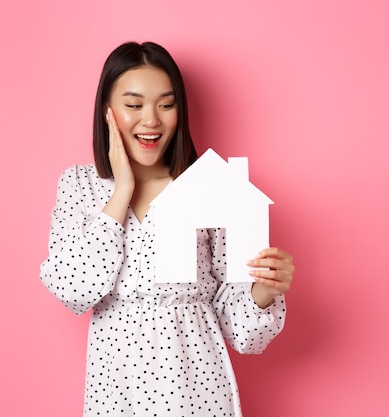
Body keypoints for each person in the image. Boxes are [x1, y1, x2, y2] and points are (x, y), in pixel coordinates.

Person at [40, 41, 295, 416]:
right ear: (107, 112)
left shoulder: (211, 184)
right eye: (134, 105)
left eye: (166, 104)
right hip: (117, 388)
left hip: (197, 387)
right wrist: (122, 191)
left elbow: (241, 330)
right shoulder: (79, 186)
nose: (151, 120)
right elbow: (74, 288)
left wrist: (264, 290)